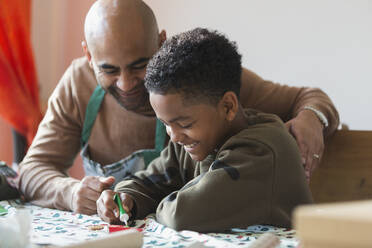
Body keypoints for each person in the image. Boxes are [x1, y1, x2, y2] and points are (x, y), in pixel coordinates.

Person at [17, 0, 338, 215]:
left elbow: (308, 97)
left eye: (140, 65)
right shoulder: (78, 84)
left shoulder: (197, 77)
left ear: (160, 43)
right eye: (109, 70)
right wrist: (73, 193)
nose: (127, 84)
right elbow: (31, 171)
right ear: (89, 57)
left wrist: (312, 116)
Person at [96, 28, 313, 231]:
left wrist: (159, 200)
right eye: (165, 124)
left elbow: (182, 215)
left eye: (185, 124)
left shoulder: (261, 152)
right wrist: (125, 199)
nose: (174, 135)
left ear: (228, 106)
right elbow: (144, 183)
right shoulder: (189, 141)